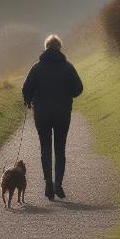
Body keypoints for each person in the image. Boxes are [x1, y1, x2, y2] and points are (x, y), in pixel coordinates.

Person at [22, 34, 83, 201]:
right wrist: (67, 93)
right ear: (59, 49)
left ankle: (48, 183)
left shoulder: (37, 67)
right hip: (62, 113)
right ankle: (58, 185)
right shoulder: (67, 67)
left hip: (42, 114)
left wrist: (28, 100)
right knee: (60, 149)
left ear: (46, 48)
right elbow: (78, 89)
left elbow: (26, 88)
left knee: (45, 148)